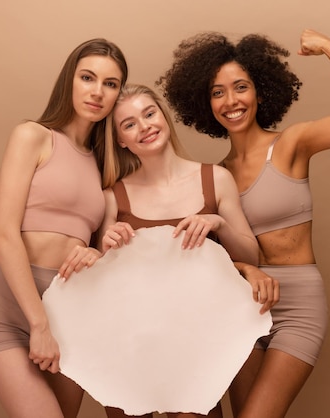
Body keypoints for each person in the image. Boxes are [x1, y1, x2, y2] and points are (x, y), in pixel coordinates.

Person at [158, 29, 330, 418]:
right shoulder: (214, 175)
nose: (231, 101)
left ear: (260, 93)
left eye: (240, 87)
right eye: (217, 92)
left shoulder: (291, 144)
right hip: (242, 306)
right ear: (205, 104)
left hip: (298, 305)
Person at [57, 84, 278, 418]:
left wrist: (218, 222)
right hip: (134, 344)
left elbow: (250, 258)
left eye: (149, 113)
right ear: (121, 140)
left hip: (198, 340)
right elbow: (103, 283)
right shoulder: (113, 197)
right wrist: (101, 251)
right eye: (129, 124)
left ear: (163, 116)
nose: (144, 126)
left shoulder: (215, 179)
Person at [0, 38, 128, 418]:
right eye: (88, 77)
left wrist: (96, 253)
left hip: (71, 315)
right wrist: (39, 324)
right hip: (13, 314)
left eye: (110, 84)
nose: (97, 92)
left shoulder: (103, 164)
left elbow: (100, 251)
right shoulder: (33, 136)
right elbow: (3, 233)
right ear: (69, 81)